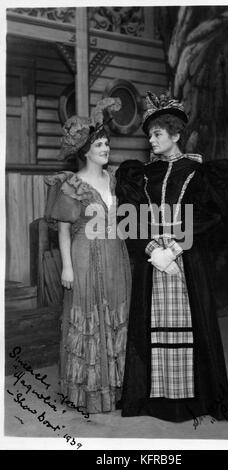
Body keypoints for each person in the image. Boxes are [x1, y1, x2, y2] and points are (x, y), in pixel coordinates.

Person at [115, 91, 228, 423]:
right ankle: (155, 397)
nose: (151, 140)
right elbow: (131, 216)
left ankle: (193, 400)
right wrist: (153, 250)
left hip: (186, 256)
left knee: (191, 324)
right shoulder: (140, 174)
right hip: (153, 260)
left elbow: (210, 214)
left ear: (176, 134)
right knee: (152, 324)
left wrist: (176, 247)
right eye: (150, 134)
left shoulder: (200, 171)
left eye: (157, 133)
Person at [44, 98, 131, 415]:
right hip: (83, 254)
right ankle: (89, 392)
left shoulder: (115, 178)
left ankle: (119, 387)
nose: (105, 148)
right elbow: (64, 230)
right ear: (85, 151)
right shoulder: (72, 184)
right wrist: (66, 267)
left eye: (107, 143)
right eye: (99, 144)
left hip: (114, 253)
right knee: (88, 315)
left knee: (115, 313)